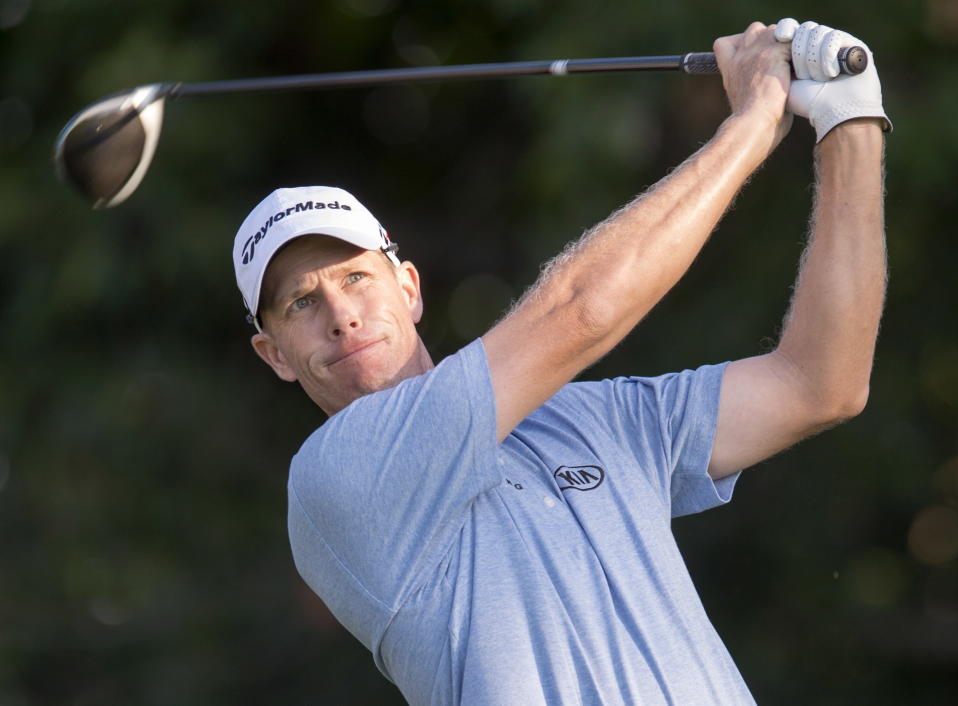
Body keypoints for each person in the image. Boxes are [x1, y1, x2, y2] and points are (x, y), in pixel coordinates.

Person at [231, 18, 889, 705]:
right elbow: (580, 311)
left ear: (409, 288)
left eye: (356, 278)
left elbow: (820, 383)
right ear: (274, 354)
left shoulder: (591, 417)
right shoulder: (338, 475)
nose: (340, 313)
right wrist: (753, 123)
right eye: (301, 303)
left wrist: (851, 121)